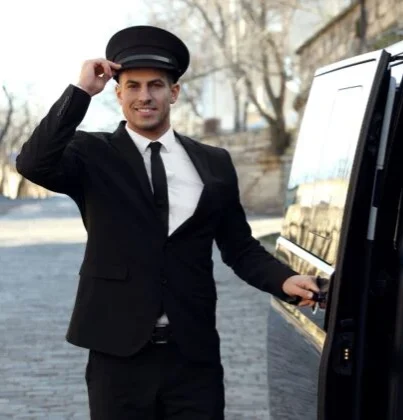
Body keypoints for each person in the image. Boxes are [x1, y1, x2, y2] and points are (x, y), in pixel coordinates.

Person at [16, 25, 319, 420]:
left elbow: (239, 247)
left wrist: (283, 280)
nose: (145, 96)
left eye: (156, 85)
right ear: (118, 93)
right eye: (134, 86)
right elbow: (32, 163)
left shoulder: (214, 162)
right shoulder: (91, 154)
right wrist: (81, 92)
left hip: (192, 355)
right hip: (117, 356)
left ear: (173, 92)